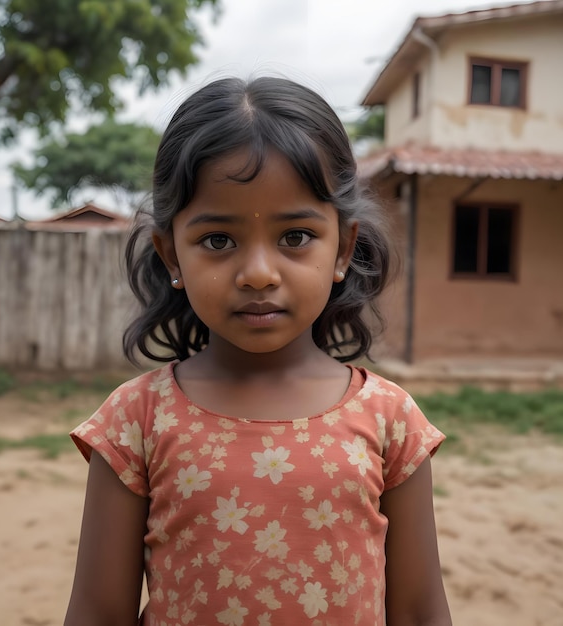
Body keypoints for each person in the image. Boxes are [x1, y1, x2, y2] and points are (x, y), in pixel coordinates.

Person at [64, 76, 452, 626]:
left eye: (295, 236)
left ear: (342, 247)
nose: (258, 274)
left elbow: (419, 611)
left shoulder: (392, 422)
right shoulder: (136, 422)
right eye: (219, 240)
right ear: (172, 255)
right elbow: (99, 614)